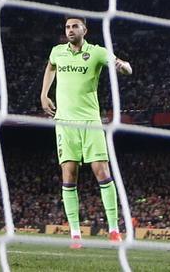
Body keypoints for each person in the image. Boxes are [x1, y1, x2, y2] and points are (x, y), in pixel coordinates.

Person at [40, 15, 133, 248]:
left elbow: (127, 69)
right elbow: (51, 67)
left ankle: (113, 229)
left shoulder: (97, 52)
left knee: (102, 171)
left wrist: (123, 67)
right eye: (67, 27)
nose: (70, 30)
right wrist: (44, 94)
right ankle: (75, 234)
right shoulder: (57, 51)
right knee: (69, 175)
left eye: (75, 26)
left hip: (90, 122)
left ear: (85, 30)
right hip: (64, 122)